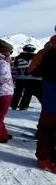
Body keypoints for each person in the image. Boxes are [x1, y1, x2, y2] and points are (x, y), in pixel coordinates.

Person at [32, 35, 56, 171]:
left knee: (46, 130)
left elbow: (34, 71)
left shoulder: (46, 53)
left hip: (50, 97)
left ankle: (44, 158)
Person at [11, 45, 42, 110]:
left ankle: (13, 104)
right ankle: (24, 106)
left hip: (20, 78)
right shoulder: (37, 57)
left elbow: (15, 66)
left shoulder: (18, 57)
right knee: (28, 93)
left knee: (18, 92)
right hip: (32, 78)